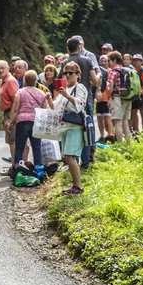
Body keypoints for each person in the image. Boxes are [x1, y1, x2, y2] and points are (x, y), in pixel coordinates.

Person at [58, 37, 99, 169]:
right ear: (80, 47)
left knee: (71, 129)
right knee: (87, 130)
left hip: (68, 100)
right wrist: (99, 78)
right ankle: (87, 162)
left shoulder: (65, 62)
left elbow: (59, 82)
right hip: (87, 99)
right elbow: (95, 80)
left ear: (67, 49)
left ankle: (73, 161)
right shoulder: (87, 60)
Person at [6, 70, 52, 168]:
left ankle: (18, 168)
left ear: (25, 80)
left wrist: (10, 121)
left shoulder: (20, 92)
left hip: (22, 122)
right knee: (36, 147)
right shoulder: (41, 93)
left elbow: (15, 109)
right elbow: (44, 110)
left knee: (19, 147)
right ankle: (38, 169)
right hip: (36, 122)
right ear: (36, 81)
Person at [57, 62, 87, 195]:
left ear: (78, 75)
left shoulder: (79, 87)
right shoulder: (65, 89)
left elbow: (80, 104)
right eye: (66, 73)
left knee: (70, 156)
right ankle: (75, 185)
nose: (68, 75)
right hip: (65, 126)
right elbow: (57, 107)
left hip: (75, 127)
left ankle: (78, 186)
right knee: (67, 157)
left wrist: (67, 96)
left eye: (71, 73)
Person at [0, 60, 20, 164]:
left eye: (3, 68)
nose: (1, 70)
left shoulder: (10, 81)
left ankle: (15, 166)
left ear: (8, 68)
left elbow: (16, 99)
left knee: (13, 141)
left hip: (11, 112)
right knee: (11, 141)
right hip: (6, 112)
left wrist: (11, 118)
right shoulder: (2, 81)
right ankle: (14, 165)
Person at [107, 51, 131, 144]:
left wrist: (109, 93)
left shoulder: (113, 72)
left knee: (118, 123)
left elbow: (111, 88)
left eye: (110, 61)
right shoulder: (127, 70)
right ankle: (129, 144)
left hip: (117, 98)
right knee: (125, 123)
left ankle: (120, 145)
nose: (109, 63)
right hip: (128, 98)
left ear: (114, 60)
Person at [96, 55, 112, 141]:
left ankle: (110, 135)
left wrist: (110, 98)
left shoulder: (110, 72)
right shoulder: (98, 72)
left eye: (105, 61)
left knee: (107, 118)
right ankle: (102, 136)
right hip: (99, 98)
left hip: (107, 97)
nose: (103, 63)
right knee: (99, 118)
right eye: (102, 61)